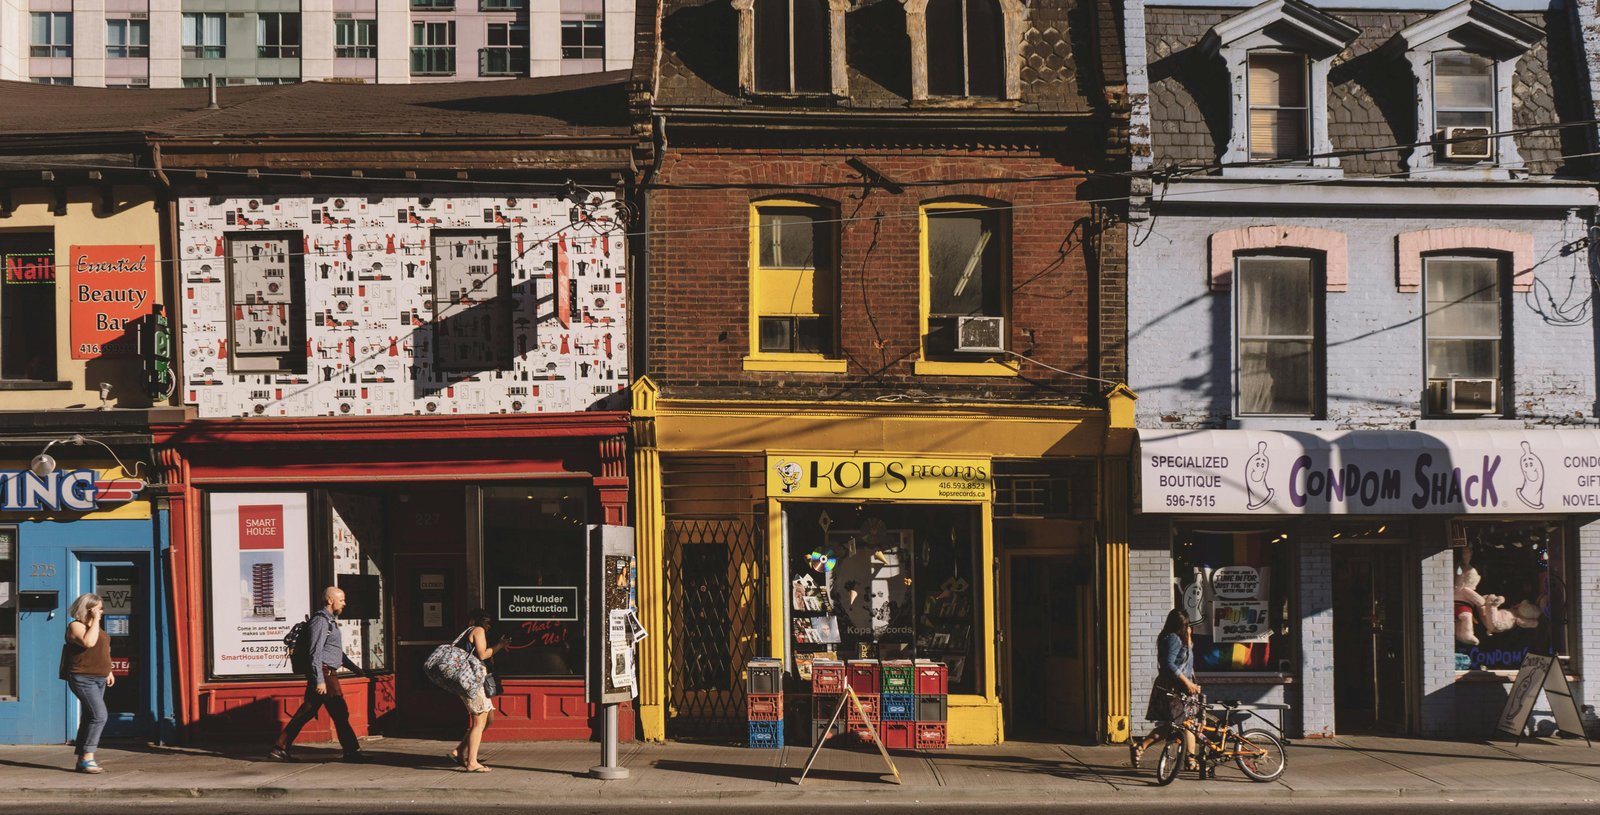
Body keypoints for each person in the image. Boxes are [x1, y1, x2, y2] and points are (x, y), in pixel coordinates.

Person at [269, 587, 368, 762]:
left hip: (327, 671)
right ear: (330, 600)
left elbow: (335, 652)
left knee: (307, 711)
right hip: (324, 672)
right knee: (339, 712)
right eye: (342, 600)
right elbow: (315, 653)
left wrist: (357, 670)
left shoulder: (330, 621)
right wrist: (319, 680)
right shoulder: (320, 621)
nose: (344, 603)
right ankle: (352, 752)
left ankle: (280, 748)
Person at [1130, 608, 1202, 768]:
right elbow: (1168, 665)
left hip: (1184, 687)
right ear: (1177, 626)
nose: (1187, 628)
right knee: (1179, 724)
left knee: (1184, 723)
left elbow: (1187, 664)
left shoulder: (1181, 638)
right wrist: (1187, 683)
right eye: (1185, 625)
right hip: (1173, 688)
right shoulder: (1173, 639)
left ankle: (1190, 760)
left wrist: (1193, 682)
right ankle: (1142, 746)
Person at [448, 608, 508, 773]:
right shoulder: (478, 630)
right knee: (479, 722)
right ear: (481, 621)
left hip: (473, 681)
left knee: (489, 719)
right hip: (472, 682)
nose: (489, 627)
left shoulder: (470, 630)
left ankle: (459, 751)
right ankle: (472, 762)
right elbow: (482, 655)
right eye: (487, 622)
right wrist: (500, 646)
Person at [63, 593, 115, 774]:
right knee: (100, 716)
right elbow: (89, 642)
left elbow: (102, 650)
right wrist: (95, 620)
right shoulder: (75, 626)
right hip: (83, 677)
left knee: (89, 716)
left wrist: (108, 670)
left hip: (99, 677)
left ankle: (81, 759)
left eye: (101, 609)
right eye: (98, 608)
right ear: (87, 609)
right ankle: (88, 757)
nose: (101, 612)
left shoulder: (95, 627)